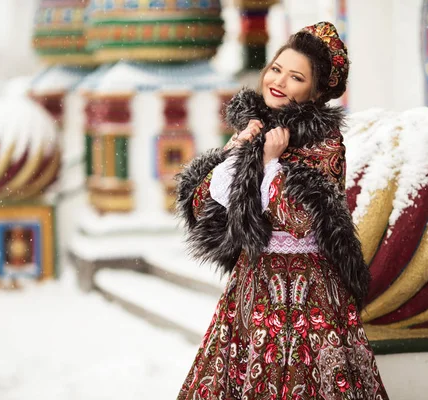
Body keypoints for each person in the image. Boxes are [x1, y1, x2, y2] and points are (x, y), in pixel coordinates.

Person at [175, 21, 389, 400]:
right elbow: (204, 204)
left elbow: (300, 220)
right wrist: (237, 150)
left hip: (310, 289)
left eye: (295, 77)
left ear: (316, 91)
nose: (279, 81)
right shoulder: (254, 130)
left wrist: (271, 163)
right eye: (276, 69)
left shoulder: (325, 143)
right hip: (254, 281)